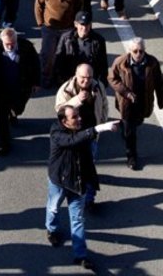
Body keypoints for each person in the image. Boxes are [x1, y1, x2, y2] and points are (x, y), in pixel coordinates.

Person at [46, 104, 118, 270]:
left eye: (79, 116)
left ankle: (80, 255)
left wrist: (90, 180)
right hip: (60, 181)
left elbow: (87, 154)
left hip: (78, 181)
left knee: (77, 219)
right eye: (74, 117)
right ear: (64, 121)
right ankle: (52, 229)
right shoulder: (57, 132)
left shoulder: (82, 129)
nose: (79, 119)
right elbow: (71, 141)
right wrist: (98, 129)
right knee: (53, 208)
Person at [54, 63, 110, 206]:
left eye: (89, 78)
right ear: (76, 75)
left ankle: (89, 199)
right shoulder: (66, 90)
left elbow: (104, 105)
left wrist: (102, 123)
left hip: (91, 134)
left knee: (90, 167)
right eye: (83, 78)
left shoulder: (98, 86)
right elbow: (60, 111)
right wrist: (78, 100)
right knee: (78, 167)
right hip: (74, 137)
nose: (86, 81)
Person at [108, 37, 163, 170]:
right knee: (130, 132)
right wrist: (125, 92)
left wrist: (161, 100)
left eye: (141, 51)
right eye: (135, 51)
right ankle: (131, 156)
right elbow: (112, 78)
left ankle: (125, 127)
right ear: (130, 51)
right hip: (127, 102)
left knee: (138, 122)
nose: (138, 54)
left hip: (143, 100)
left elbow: (159, 82)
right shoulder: (120, 62)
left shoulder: (152, 63)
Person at [0, 27, 40, 155]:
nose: (9, 47)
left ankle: (14, 113)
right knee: (1, 117)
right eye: (7, 44)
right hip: (1, 88)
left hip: (21, 86)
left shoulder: (26, 47)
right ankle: (4, 143)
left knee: (18, 108)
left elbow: (35, 64)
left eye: (12, 44)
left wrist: (36, 82)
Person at [34, 0, 83, 89]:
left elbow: (80, 7)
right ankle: (46, 77)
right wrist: (40, 23)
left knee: (66, 54)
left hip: (68, 29)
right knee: (47, 54)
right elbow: (38, 6)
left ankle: (61, 78)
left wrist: (77, 25)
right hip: (49, 28)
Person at [54, 12, 109, 86]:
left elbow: (103, 62)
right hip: (70, 78)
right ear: (75, 24)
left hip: (89, 80)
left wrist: (103, 81)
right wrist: (60, 78)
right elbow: (59, 59)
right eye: (82, 24)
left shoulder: (99, 40)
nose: (84, 28)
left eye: (87, 24)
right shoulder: (66, 38)